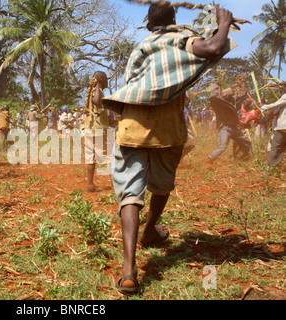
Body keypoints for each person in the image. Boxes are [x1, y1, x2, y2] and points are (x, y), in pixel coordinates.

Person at [101, 4, 236, 295]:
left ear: (148, 23)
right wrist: (223, 22)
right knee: (161, 187)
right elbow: (214, 47)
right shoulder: (180, 40)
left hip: (132, 123)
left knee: (130, 195)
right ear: (173, 20)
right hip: (167, 128)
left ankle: (128, 272)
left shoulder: (140, 48)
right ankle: (150, 231)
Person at [206, 86, 252, 163]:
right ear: (225, 95)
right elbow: (212, 97)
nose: (230, 96)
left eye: (231, 95)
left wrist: (242, 84)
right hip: (224, 128)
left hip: (233, 128)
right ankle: (210, 159)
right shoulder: (219, 101)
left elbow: (243, 94)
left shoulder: (233, 99)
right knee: (223, 146)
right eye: (229, 95)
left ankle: (238, 157)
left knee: (246, 141)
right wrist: (216, 87)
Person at [84, 71, 110, 192]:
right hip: (98, 130)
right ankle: (117, 183)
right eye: (105, 79)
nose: (107, 81)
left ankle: (90, 185)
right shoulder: (97, 91)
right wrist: (98, 84)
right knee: (110, 156)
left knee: (91, 158)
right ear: (101, 79)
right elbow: (97, 101)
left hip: (91, 129)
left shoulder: (93, 90)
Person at [262, 81, 286, 167]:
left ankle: (269, 166)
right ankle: (274, 165)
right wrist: (277, 84)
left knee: (276, 147)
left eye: (284, 87)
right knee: (281, 148)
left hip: (283, 127)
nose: (283, 89)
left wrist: (264, 107)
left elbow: (275, 105)